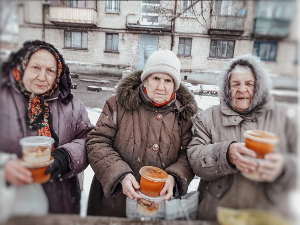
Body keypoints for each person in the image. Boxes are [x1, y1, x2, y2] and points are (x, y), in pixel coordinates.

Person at [86, 49, 197, 217]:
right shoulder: (117, 104)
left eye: (168, 80)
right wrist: (120, 174)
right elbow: (97, 142)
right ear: (145, 80)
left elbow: (190, 153)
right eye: (156, 78)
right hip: (115, 203)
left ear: (175, 85)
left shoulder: (184, 115)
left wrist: (175, 176)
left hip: (159, 204)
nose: (161, 87)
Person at [187, 54, 297, 220]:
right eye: (235, 84)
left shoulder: (280, 118)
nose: (242, 89)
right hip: (216, 215)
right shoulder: (209, 118)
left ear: (258, 86)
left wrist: (284, 168)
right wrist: (225, 153)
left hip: (266, 216)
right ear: (227, 88)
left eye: (249, 84)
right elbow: (194, 159)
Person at [0, 40, 93, 214]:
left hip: (60, 200)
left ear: (58, 74)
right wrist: (4, 165)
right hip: (10, 204)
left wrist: (66, 157)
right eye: (35, 67)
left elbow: (89, 138)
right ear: (22, 67)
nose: (42, 77)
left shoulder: (71, 105)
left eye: (50, 70)